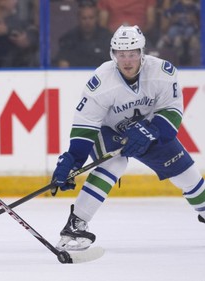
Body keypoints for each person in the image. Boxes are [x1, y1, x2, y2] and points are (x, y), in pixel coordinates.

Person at [51, 25, 205, 251]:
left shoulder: (162, 71)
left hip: (152, 130)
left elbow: (172, 111)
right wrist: (73, 159)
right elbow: (86, 126)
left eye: (132, 54)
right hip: (109, 131)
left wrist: (153, 131)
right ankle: (75, 225)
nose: (127, 60)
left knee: (187, 175)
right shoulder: (101, 81)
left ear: (142, 52)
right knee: (115, 162)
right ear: (113, 54)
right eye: (121, 55)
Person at [55, 0, 112, 67]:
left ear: (97, 18)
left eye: (91, 18)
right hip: (75, 76)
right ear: (78, 19)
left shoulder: (107, 38)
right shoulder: (68, 38)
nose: (88, 22)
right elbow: (62, 63)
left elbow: (112, 63)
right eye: (84, 18)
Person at [157, 0, 200, 66]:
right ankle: (177, 58)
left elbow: (199, 24)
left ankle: (193, 59)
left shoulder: (195, 7)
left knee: (192, 36)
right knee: (175, 35)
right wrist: (173, 18)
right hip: (177, 28)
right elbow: (167, 14)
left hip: (190, 30)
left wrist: (194, 19)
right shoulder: (176, 5)